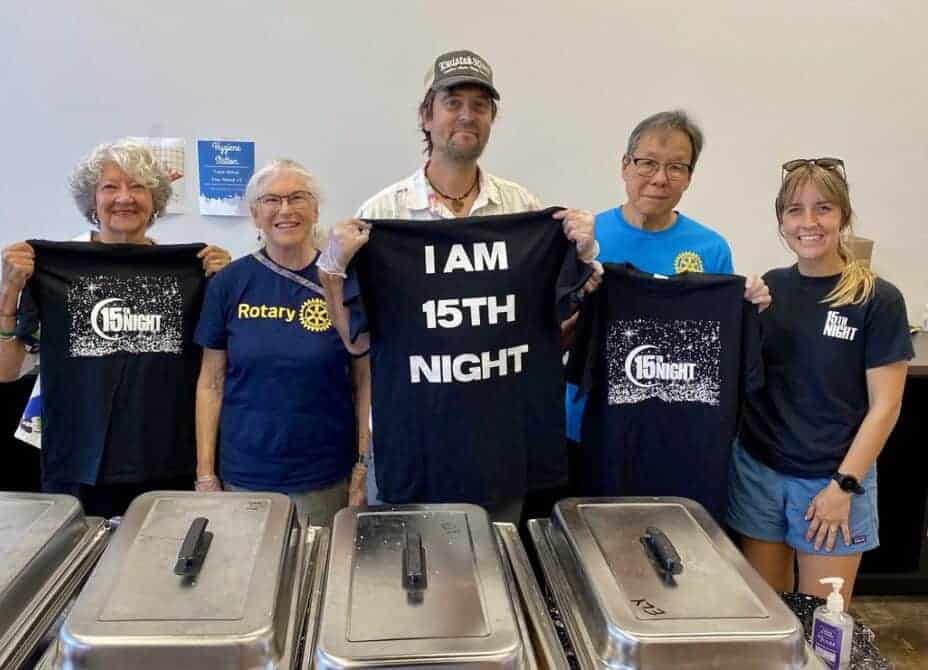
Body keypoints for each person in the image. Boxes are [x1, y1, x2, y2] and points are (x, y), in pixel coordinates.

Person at [317, 49, 599, 521]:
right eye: (453, 102)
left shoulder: (523, 210)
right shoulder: (384, 214)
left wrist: (584, 258)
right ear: (426, 116)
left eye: (480, 105)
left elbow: (556, 331)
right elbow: (355, 339)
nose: (467, 115)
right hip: (415, 450)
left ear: (492, 119)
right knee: (414, 584)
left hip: (501, 453)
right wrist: (333, 268)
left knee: (497, 579)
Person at [0, 140, 230, 516]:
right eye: (110, 187)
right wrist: (9, 290)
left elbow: (219, 365)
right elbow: (5, 372)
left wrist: (223, 284)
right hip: (79, 464)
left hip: (168, 460)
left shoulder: (191, 271)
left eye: (138, 187)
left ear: (155, 202)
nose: (125, 198)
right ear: (92, 200)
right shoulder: (55, 267)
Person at [725, 158, 912, 607]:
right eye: (795, 210)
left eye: (823, 208)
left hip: (831, 480)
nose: (809, 222)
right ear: (781, 222)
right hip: (760, 472)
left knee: (821, 627)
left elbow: (885, 407)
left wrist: (842, 487)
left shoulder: (877, 299)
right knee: (769, 619)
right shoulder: (770, 288)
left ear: (843, 216)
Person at [565, 109, 771, 444]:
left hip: (673, 430)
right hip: (589, 424)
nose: (660, 178)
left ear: (689, 177)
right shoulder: (583, 240)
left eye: (676, 167)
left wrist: (749, 306)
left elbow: (717, 351)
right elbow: (549, 336)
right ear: (625, 165)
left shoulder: (711, 248)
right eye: (647, 162)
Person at [193, 160, 369, 526]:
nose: (285, 210)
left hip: (324, 475)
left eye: (297, 198)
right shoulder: (229, 283)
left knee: (318, 576)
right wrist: (206, 474)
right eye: (271, 200)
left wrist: (362, 466)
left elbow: (365, 380)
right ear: (256, 215)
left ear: (316, 210)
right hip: (244, 475)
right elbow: (211, 383)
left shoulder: (342, 282)